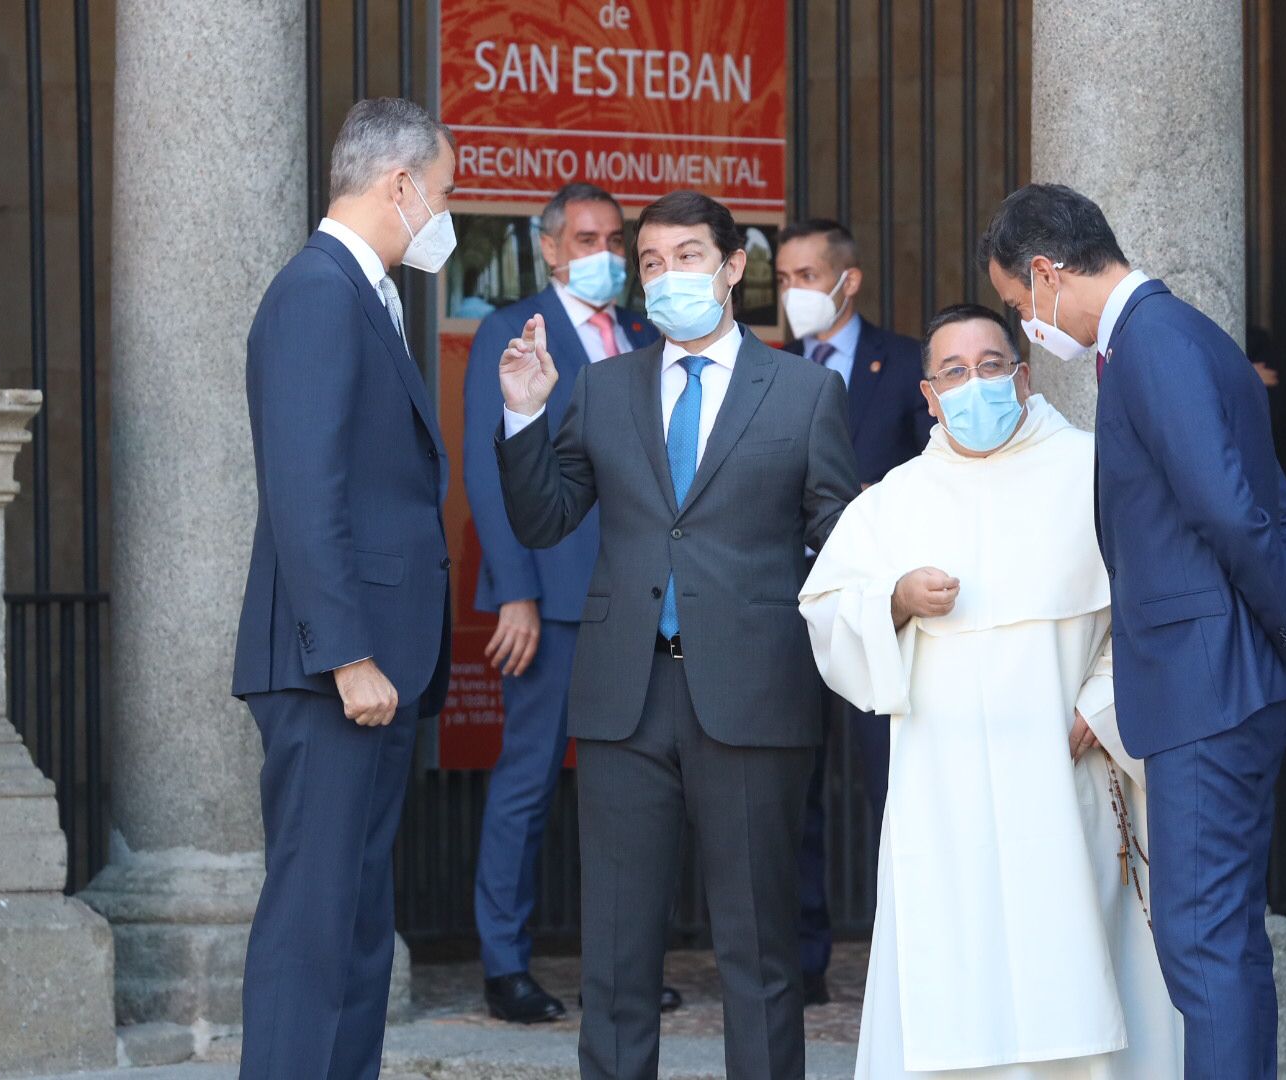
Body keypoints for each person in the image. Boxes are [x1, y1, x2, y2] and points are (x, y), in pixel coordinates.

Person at [980, 183, 1286, 1079]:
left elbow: (1237, 515)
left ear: (1046, 273)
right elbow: (1280, 514)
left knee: (1204, 946)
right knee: (1220, 942)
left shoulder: (1152, 344)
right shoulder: (1191, 335)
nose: (1026, 324)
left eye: (1016, 304)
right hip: (1225, 679)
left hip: (1206, 690)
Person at [494, 189, 858, 1079]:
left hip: (753, 694)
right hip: (627, 696)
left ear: (735, 267)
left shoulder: (806, 392)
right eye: (650, 263)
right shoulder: (602, 387)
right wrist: (524, 413)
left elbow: (842, 538)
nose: (666, 277)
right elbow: (546, 520)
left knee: (759, 955)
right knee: (615, 956)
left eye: (687, 257)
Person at [800, 302, 1184, 1078]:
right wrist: (896, 599)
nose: (973, 384)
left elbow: (1156, 608)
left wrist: (1103, 706)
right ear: (929, 396)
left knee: (1072, 966)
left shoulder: (1093, 472)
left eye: (989, 367)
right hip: (942, 795)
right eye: (953, 372)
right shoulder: (896, 499)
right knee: (951, 973)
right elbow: (827, 613)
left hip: (1063, 773)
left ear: (1023, 374)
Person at [230, 98, 456, 1079]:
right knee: (313, 933)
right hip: (337, 668)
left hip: (367, 668)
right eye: (443, 195)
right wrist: (349, 652)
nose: (444, 216)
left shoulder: (366, 291)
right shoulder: (319, 290)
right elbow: (304, 483)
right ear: (399, 185)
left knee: (357, 930)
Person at [462, 182, 669, 1024]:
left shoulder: (640, 335)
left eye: (616, 240)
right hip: (549, 599)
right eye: (586, 238)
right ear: (549, 248)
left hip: (633, 600)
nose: (605, 255)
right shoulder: (510, 332)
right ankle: (505, 964)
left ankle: (620, 967)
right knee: (528, 780)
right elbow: (489, 462)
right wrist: (515, 592)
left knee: (630, 789)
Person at [773, 217, 932, 1006]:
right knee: (792, 789)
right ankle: (803, 961)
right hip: (793, 608)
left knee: (890, 781)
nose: (796, 292)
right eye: (786, 277)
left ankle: (906, 954)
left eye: (808, 274)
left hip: (884, 607)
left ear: (848, 279)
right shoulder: (768, 370)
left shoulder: (904, 364)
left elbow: (938, 474)